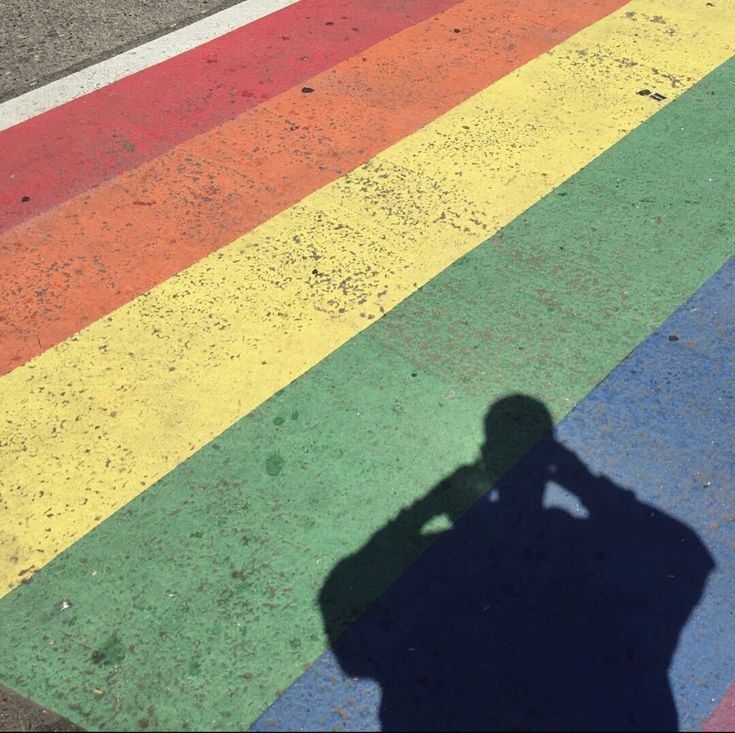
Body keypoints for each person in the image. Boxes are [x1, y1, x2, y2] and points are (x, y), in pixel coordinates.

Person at [320, 395, 715, 730]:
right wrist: (584, 482)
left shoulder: (443, 560)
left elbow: (344, 613)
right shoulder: (575, 546)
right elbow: (686, 555)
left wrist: (425, 508)